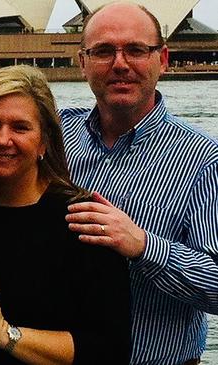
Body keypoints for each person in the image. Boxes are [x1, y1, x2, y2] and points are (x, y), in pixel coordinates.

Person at [60, 3, 218, 364]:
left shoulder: (205, 159)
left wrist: (144, 246)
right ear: (82, 62)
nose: (120, 64)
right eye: (103, 51)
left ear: (162, 59)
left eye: (136, 50)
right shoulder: (55, 136)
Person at [0, 65, 131, 364]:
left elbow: (108, 350)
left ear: (44, 141)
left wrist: (3, 332)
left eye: (20, 128)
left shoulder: (83, 222)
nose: (3, 140)